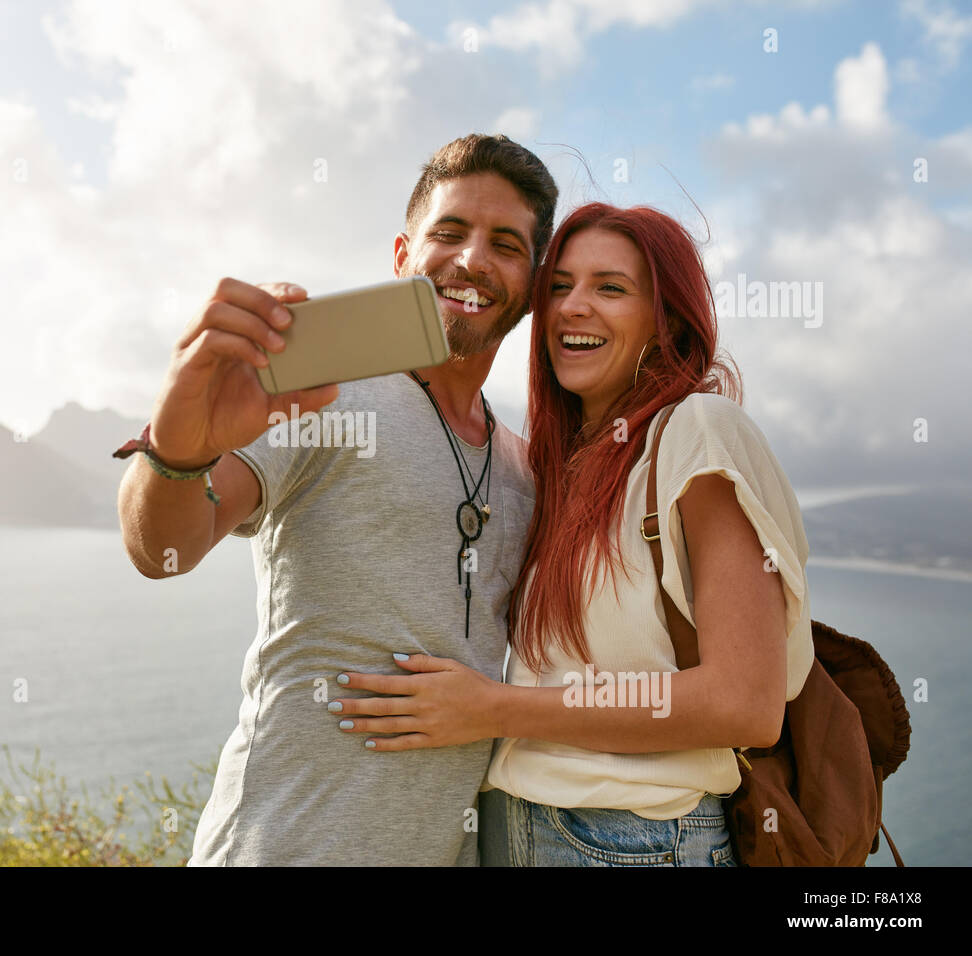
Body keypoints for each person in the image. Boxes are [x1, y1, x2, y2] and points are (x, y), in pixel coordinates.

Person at [115, 134, 559, 865]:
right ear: (401, 257)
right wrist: (177, 450)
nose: (472, 259)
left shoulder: (523, 470)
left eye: (505, 244)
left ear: (534, 286)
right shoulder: (322, 394)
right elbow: (162, 552)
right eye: (448, 232)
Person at [331, 202, 816, 866]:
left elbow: (745, 703)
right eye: (558, 287)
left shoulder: (699, 430)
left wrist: (494, 710)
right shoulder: (558, 469)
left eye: (609, 288)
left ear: (666, 318)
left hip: (635, 841)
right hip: (519, 831)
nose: (572, 308)